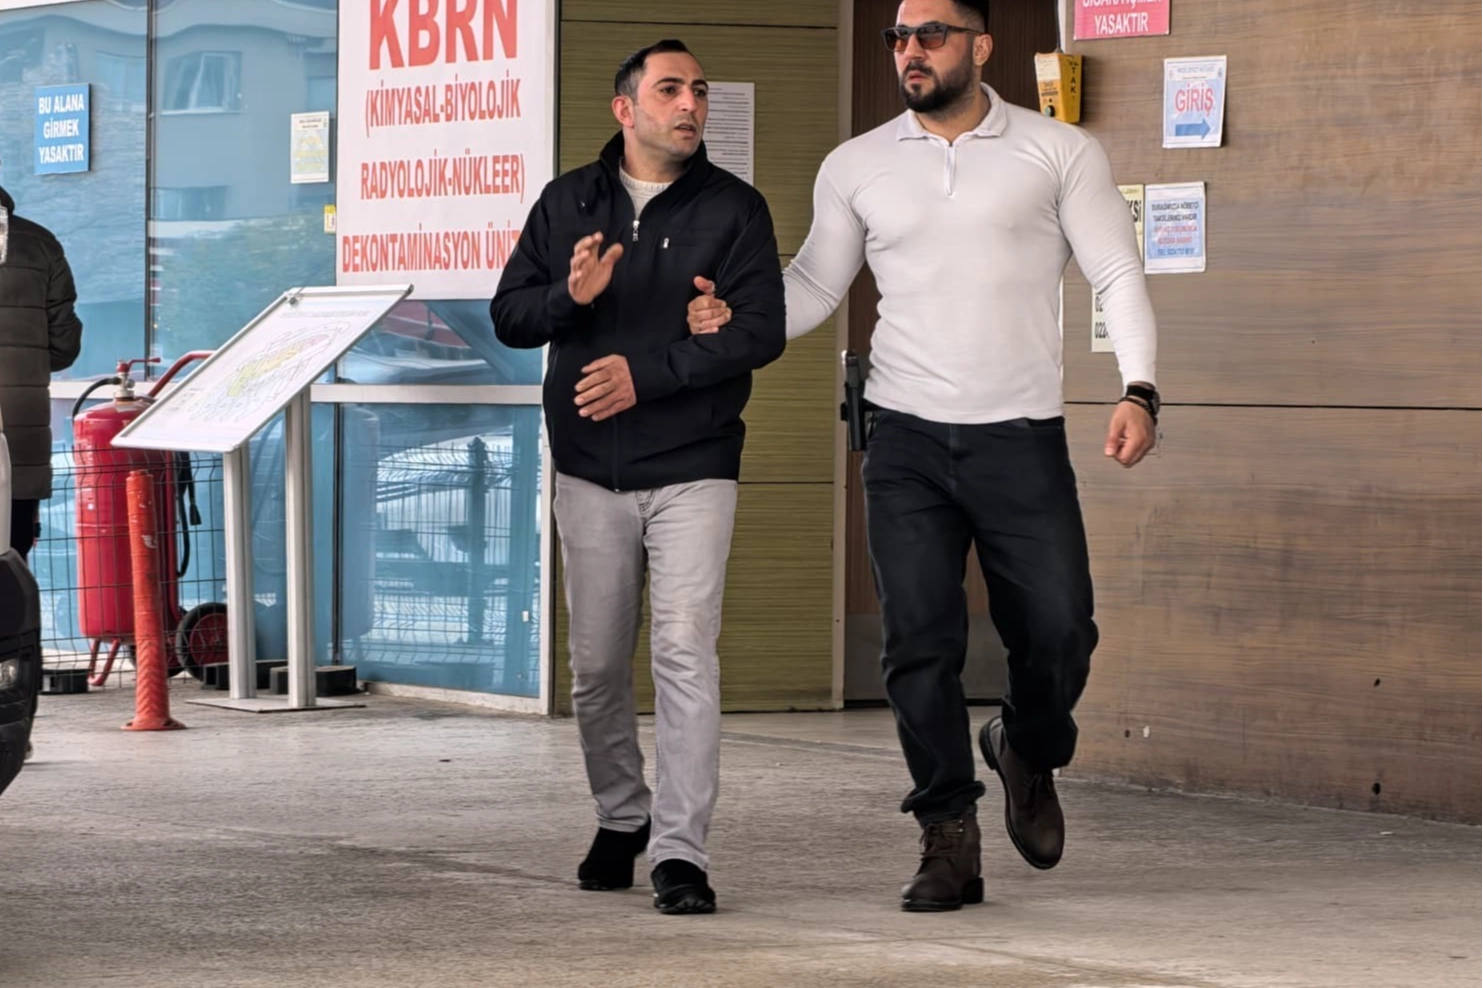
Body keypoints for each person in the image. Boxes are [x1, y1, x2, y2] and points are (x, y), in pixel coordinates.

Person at [688, 0, 1160, 911]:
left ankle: (1025, 744)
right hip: (903, 434)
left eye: (930, 35)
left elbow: (1115, 273)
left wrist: (1137, 388)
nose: (910, 50)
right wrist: (734, 317)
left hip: (1019, 435)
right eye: (898, 37)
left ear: (981, 46)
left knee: (1060, 630)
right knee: (916, 641)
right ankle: (947, 831)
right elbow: (815, 284)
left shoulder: (1058, 151)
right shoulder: (856, 163)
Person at [490, 40, 786, 915]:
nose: (690, 103)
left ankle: (680, 852)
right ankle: (622, 815)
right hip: (589, 470)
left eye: (698, 90)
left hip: (695, 465)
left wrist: (652, 372)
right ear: (625, 109)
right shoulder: (566, 202)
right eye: (669, 90)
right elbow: (510, 316)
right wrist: (570, 299)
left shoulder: (734, 208)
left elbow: (760, 332)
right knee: (594, 667)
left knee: (684, 652)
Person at [0, 182, 84, 762]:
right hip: (18, 442)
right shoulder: (39, 244)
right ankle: (12, 727)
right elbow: (64, 347)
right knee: (11, 582)